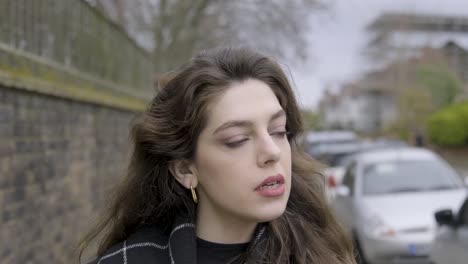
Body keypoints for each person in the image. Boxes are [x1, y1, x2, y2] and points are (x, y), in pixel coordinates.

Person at [80, 47, 355, 264]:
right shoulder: (127, 260)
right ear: (186, 169)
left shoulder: (323, 252)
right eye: (237, 140)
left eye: (278, 131)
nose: (271, 152)